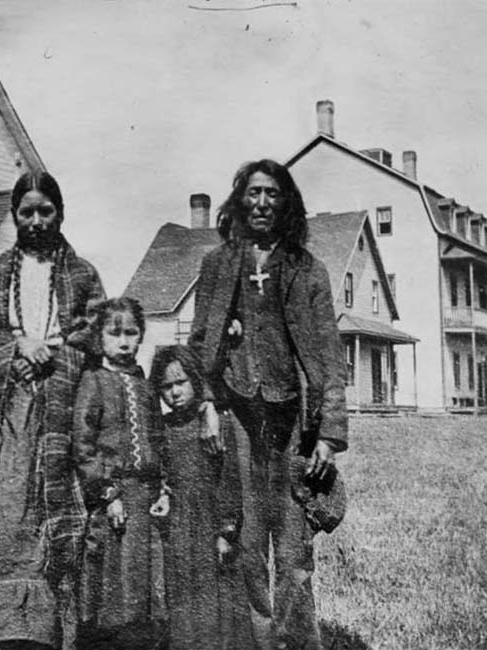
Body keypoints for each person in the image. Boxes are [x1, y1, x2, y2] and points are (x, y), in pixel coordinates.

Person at [0, 171, 106, 650]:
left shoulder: (83, 274)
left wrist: (52, 351)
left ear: (61, 213)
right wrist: (17, 346)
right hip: (7, 412)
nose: (35, 221)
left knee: (52, 504)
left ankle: (48, 626)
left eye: (44, 211)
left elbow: (93, 334)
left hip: (61, 407)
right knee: (4, 503)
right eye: (26, 212)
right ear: (14, 217)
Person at [188, 159, 348, 650]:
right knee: (248, 547)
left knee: (295, 555)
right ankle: (257, 642)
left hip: (293, 428)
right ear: (239, 200)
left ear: (287, 203)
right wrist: (208, 405)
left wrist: (328, 434)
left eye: (272, 194)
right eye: (253, 193)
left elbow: (329, 354)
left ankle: (297, 643)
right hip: (239, 423)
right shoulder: (218, 265)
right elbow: (200, 346)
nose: (261, 203)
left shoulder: (307, 270)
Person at [72, 297, 169, 650]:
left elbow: (157, 437)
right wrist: (107, 493)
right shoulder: (94, 381)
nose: (124, 341)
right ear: (100, 338)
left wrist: (162, 488)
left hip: (145, 496)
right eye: (115, 334)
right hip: (114, 497)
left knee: (144, 578)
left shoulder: (145, 385)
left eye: (131, 332)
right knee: (112, 578)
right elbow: (83, 445)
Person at [148, 345, 254, 650]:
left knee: (218, 595)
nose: (175, 393)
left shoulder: (213, 425)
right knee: (184, 594)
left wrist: (227, 529)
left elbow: (229, 479)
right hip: (181, 525)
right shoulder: (166, 428)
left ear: (195, 380)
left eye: (181, 383)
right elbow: (164, 472)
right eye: (166, 387)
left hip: (211, 521)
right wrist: (165, 494)